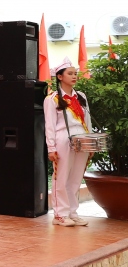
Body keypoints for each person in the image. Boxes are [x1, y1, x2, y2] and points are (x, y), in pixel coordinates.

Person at [45, 57, 93, 227]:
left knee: (75, 178)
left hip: (82, 141)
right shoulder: (52, 99)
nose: (74, 76)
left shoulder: (81, 96)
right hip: (63, 140)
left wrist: (90, 142)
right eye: (70, 73)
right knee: (61, 177)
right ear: (59, 76)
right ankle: (60, 214)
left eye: (75, 73)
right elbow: (49, 125)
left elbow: (87, 121)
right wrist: (51, 147)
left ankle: (72, 212)